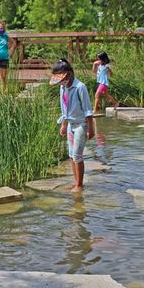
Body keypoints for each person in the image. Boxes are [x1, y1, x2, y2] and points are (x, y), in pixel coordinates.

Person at [50, 58, 94, 193]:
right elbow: (64, 109)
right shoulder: (62, 88)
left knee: (77, 156)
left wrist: (91, 128)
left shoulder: (80, 87)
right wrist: (63, 125)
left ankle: (79, 185)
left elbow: (87, 110)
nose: (61, 82)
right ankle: (75, 182)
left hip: (81, 125)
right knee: (70, 155)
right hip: (70, 124)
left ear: (69, 73)